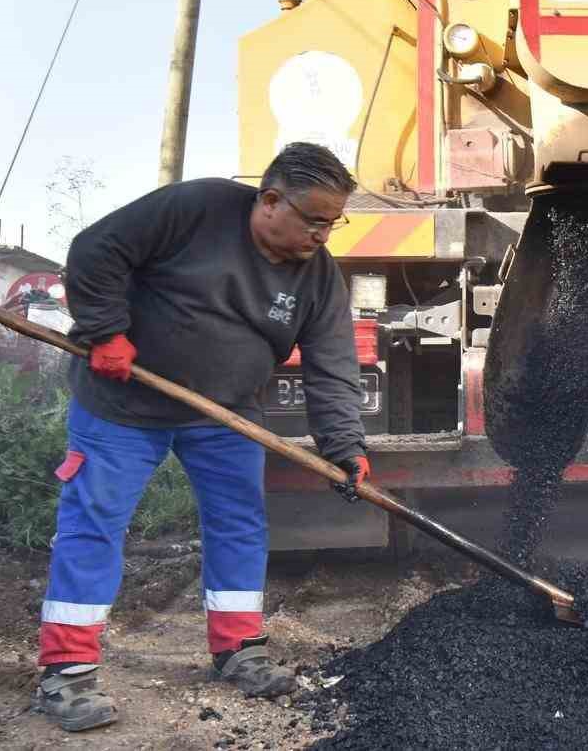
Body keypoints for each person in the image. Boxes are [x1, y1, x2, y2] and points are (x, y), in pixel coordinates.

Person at [35, 143, 372, 731]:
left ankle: (239, 649)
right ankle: (66, 673)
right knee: (94, 523)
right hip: (122, 404)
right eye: (315, 220)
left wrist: (346, 448)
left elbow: (333, 366)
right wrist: (106, 331)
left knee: (240, 521)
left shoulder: (318, 277)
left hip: (225, 414)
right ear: (270, 200)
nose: (324, 234)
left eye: (333, 222)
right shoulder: (196, 209)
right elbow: (96, 250)